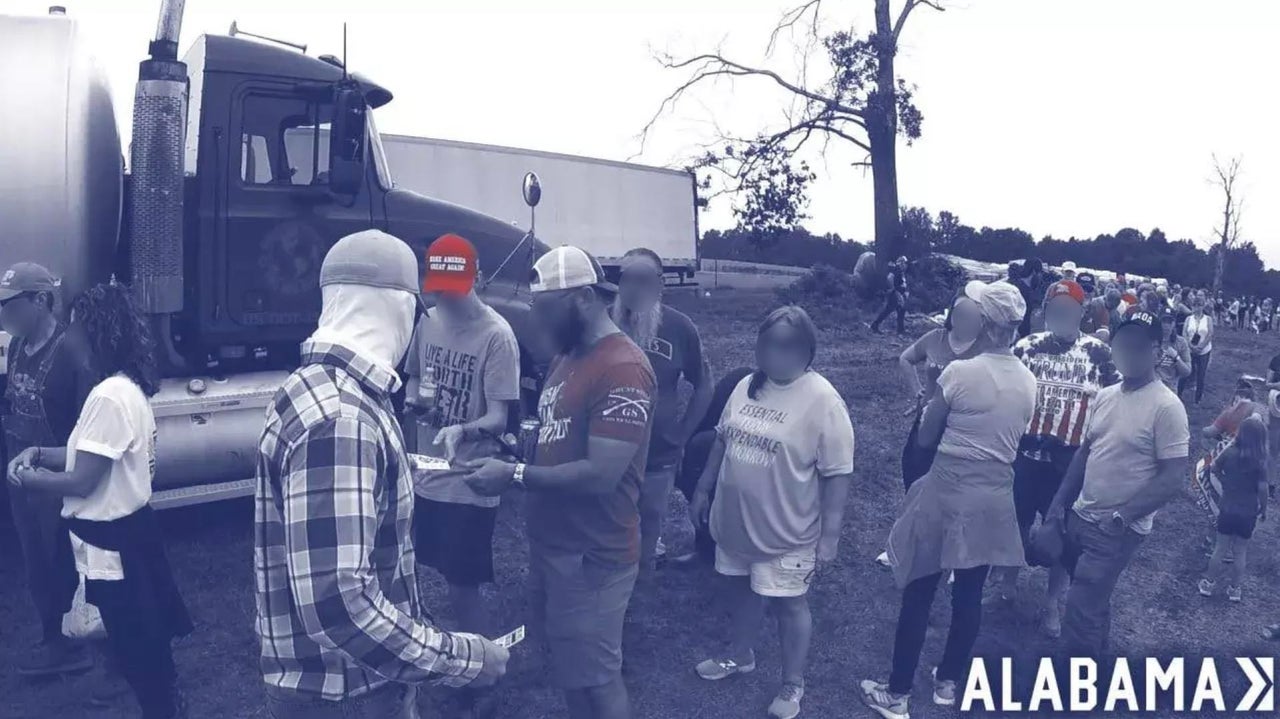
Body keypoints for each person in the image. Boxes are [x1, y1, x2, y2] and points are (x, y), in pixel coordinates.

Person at [255, 230, 508, 719]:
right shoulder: (341, 418)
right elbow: (339, 604)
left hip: (335, 683)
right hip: (345, 693)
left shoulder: (315, 388)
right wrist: (465, 659)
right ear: (398, 307)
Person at [463, 245, 655, 719]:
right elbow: (556, 438)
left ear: (585, 298)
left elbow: (602, 475)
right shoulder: (568, 355)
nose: (539, 319)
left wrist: (516, 476)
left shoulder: (622, 367)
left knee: (599, 677)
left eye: (547, 308)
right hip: (555, 547)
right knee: (571, 670)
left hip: (593, 554)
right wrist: (500, 447)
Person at [7, 281, 192, 718]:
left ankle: (163, 708)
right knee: (141, 640)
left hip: (112, 540)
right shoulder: (125, 387)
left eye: (74, 328)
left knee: (135, 646)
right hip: (131, 532)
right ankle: (164, 703)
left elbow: (84, 480)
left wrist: (27, 480)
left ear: (96, 332)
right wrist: (41, 454)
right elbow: (85, 454)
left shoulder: (108, 396)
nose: (68, 337)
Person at [860, 280, 1036, 718]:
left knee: (920, 590)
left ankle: (897, 694)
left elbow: (924, 436)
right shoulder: (1030, 380)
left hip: (948, 486)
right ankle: (947, 684)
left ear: (987, 323)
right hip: (994, 492)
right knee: (969, 594)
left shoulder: (960, 373)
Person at [689, 305, 855, 719]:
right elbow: (722, 440)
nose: (776, 353)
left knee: (789, 604)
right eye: (768, 343)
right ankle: (739, 654)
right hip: (735, 522)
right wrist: (703, 487)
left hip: (788, 531)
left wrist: (830, 535)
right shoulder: (747, 385)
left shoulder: (822, 400)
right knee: (740, 590)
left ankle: (792, 682)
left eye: (787, 345)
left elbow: (837, 472)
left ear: (806, 350)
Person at [1034, 310, 1190, 656]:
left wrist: (1122, 517)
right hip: (1081, 515)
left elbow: (1173, 477)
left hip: (1117, 528)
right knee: (1092, 602)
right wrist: (1058, 507)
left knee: (1081, 606)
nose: (1130, 353)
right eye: (1123, 344)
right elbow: (1084, 454)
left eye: (1139, 346)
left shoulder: (1168, 407)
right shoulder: (1106, 395)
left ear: (1156, 350)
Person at [400, 235, 520, 668]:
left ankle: (484, 668)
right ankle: (431, 659)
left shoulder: (497, 336)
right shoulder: (427, 321)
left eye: (453, 288)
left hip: (469, 478)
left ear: (478, 279)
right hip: (424, 473)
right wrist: (416, 401)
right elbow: (413, 377)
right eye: (438, 288)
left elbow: (499, 419)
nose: (443, 297)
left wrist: (461, 429)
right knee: (413, 572)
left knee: (461, 585)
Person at [990, 280, 1119, 638]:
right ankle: (1009, 581)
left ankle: (1051, 603)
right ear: (1046, 312)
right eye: (1056, 310)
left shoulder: (1099, 354)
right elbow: (1002, 389)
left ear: (1081, 312)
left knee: (1062, 532)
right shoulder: (1026, 348)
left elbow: (1118, 397)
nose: (1062, 315)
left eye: (1069, 310)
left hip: (1070, 460)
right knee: (1014, 521)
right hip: (1025, 453)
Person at [0, 262, 95, 677]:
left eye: (10, 305)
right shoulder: (18, 346)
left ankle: (82, 643)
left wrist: (60, 469)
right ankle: (52, 638)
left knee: (64, 559)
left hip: (57, 475)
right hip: (22, 473)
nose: (4, 315)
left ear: (40, 300)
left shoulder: (70, 350)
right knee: (34, 557)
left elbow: (88, 426)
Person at [609, 247, 712, 572]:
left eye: (643, 279)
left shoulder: (680, 328)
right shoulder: (602, 324)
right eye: (626, 278)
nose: (634, 288)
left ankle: (643, 584)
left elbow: (704, 385)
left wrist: (682, 434)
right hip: (606, 449)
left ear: (659, 285)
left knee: (650, 523)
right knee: (610, 524)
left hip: (658, 452)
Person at [872, 290, 983, 569]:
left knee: (957, 492)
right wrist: (917, 391)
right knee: (914, 481)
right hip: (927, 423)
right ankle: (902, 546)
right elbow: (906, 358)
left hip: (962, 429)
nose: (963, 319)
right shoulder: (935, 339)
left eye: (971, 314)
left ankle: (956, 556)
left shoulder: (985, 347)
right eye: (959, 313)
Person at [670, 366, 754, 566]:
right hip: (714, 447)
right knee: (697, 450)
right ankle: (706, 546)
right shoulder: (741, 380)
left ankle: (734, 548)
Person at [1199, 416, 1268, 603]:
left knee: (1220, 548)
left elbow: (1212, 468)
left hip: (1227, 508)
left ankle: (1208, 583)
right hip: (1248, 513)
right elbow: (1263, 489)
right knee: (1240, 552)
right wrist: (1263, 509)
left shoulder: (1230, 453)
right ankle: (1234, 589)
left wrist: (1226, 479)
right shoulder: (1260, 461)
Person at [1183, 296, 1214, 405]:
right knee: (1186, 372)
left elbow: (1210, 333)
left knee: (1201, 375)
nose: (1197, 308)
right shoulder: (1188, 319)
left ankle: (1198, 399)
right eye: (1195, 305)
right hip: (1190, 349)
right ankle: (1179, 394)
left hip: (1204, 350)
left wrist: (1201, 346)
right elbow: (1184, 333)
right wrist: (1190, 345)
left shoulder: (1208, 319)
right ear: (1192, 306)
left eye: (1199, 305)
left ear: (1203, 306)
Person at [871, 256, 910, 336]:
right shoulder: (896, 270)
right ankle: (875, 325)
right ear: (901, 263)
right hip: (895, 293)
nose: (906, 265)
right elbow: (890, 277)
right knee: (892, 310)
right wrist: (893, 289)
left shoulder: (901, 272)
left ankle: (900, 329)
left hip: (898, 293)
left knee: (898, 310)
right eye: (905, 263)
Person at [1157, 313, 1192, 394]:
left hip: (1170, 389)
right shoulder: (1151, 340)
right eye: (1164, 321)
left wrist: (1176, 357)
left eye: (1169, 322)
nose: (1166, 325)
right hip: (1151, 387)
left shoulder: (1181, 342)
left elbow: (1187, 372)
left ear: (1174, 324)